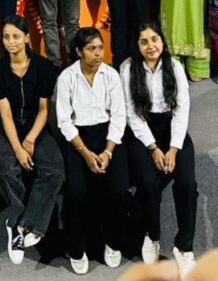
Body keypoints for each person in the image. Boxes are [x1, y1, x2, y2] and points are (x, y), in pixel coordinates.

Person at [120, 23, 198, 277]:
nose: (151, 46)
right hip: (143, 130)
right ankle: (151, 235)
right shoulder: (128, 68)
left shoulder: (175, 66)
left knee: (187, 184)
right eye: (144, 42)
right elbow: (132, 114)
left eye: (154, 39)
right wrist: (153, 148)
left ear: (162, 41)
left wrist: (173, 148)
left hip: (172, 128)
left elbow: (182, 109)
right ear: (137, 46)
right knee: (147, 182)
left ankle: (184, 248)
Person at [0, 14, 63, 265]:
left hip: (35, 126)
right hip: (5, 128)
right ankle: (16, 220)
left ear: (27, 38)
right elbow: (5, 114)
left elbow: (44, 110)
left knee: (55, 171)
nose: (11, 42)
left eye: (16, 36)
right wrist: (18, 149)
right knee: (6, 170)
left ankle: (25, 225)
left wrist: (29, 140)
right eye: (7, 37)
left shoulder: (44, 67)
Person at [55, 28, 129, 275]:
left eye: (100, 48)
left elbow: (118, 116)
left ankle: (113, 241)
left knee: (119, 189)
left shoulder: (111, 75)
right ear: (79, 51)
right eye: (91, 49)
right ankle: (77, 248)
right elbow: (64, 121)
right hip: (77, 138)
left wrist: (108, 152)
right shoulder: (67, 77)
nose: (98, 53)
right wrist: (85, 153)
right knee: (75, 191)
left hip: (108, 136)